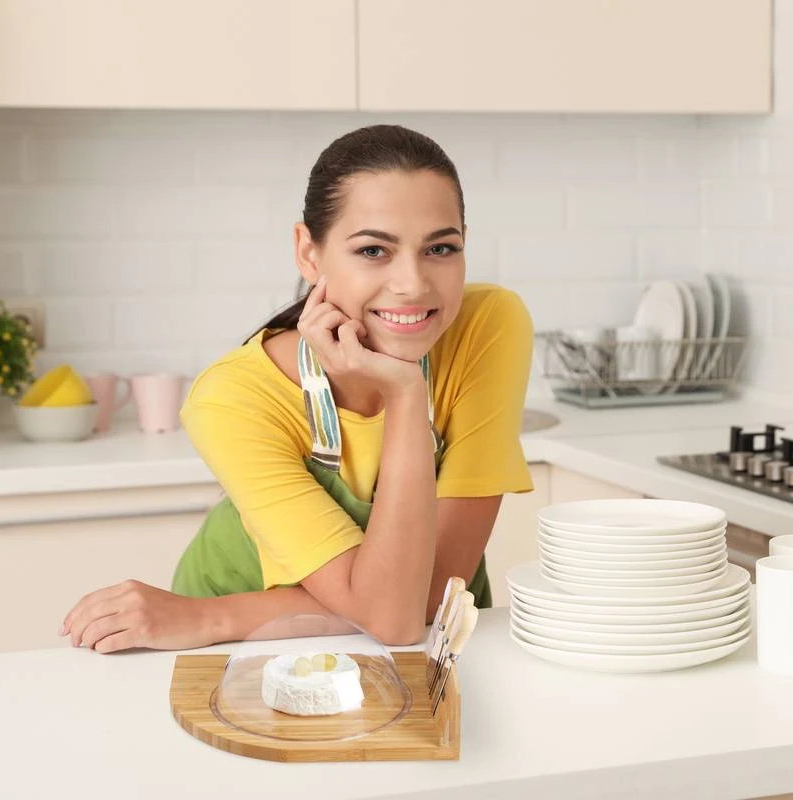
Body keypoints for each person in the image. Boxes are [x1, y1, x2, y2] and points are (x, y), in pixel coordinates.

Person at [59, 124, 534, 653]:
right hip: (243, 654)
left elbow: (415, 609)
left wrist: (402, 394)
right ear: (309, 254)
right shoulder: (230, 399)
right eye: (374, 250)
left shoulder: (487, 325)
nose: (413, 283)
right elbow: (395, 617)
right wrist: (219, 624)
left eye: (441, 248)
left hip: (275, 629)